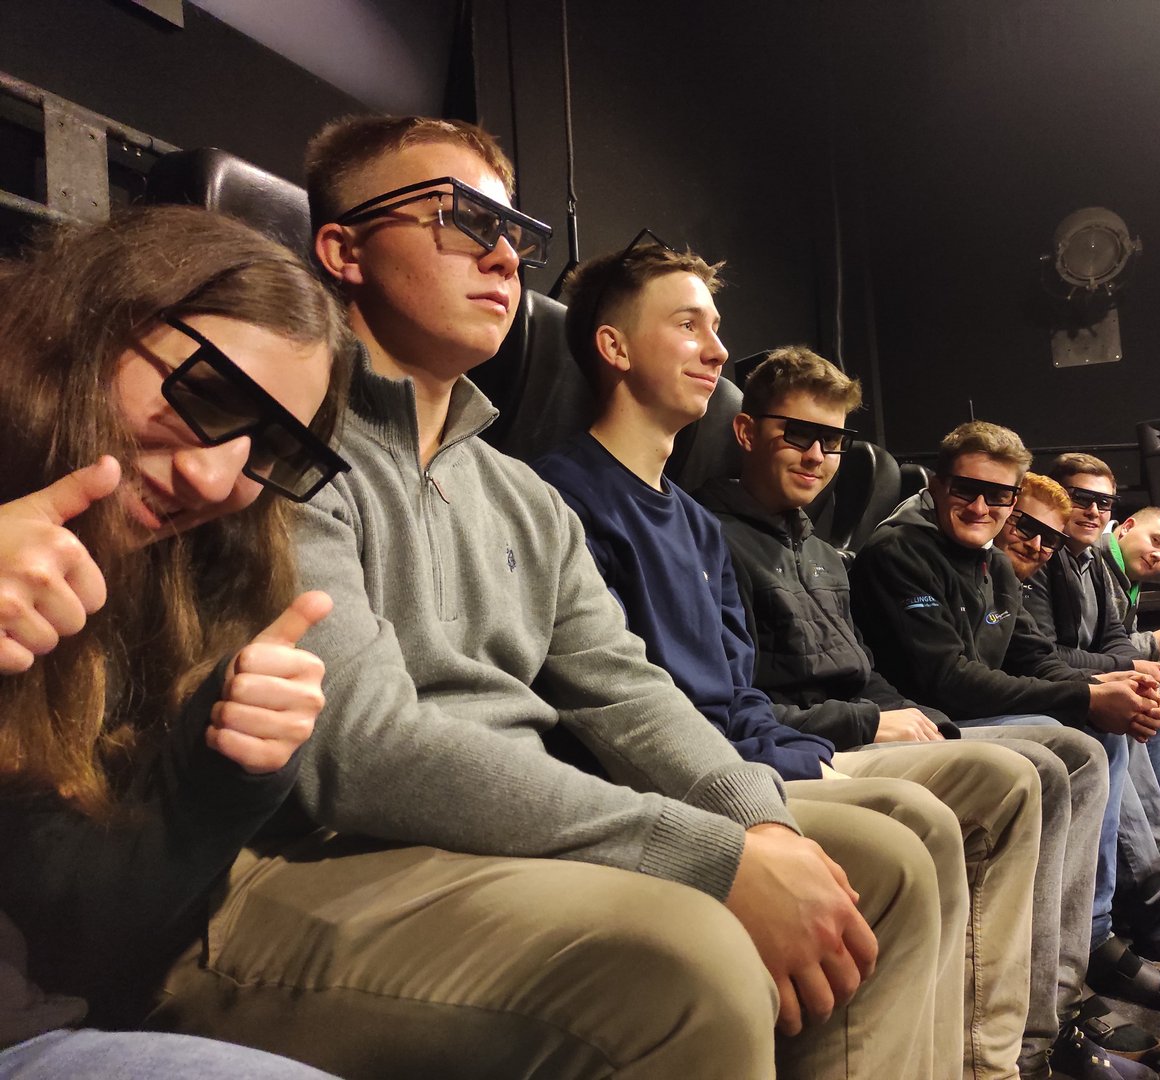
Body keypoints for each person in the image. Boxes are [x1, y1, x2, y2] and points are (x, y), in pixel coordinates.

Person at [156, 114, 948, 1080]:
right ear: (343, 250)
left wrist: (757, 820)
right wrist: (708, 855)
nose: (502, 256)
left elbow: (627, 689)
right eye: (460, 219)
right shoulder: (278, 449)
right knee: (684, 968)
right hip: (314, 860)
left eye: (512, 232)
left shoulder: (522, 492)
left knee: (882, 868)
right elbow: (360, 753)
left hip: (501, 834)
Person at [534, 243, 1043, 1080]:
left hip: (755, 751)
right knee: (909, 836)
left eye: (716, 328)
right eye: (688, 325)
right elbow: (624, 705)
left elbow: (737, 691)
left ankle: (981, 1064)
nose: (716, 350)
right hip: (675, 777)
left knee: (997, 781)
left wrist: (806, 749)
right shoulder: (562, 496)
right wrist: (821, 750)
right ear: (614, 346)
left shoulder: (690, 522)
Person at [698, 348, 1160, 1080]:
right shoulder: (756, 540)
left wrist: (1111, 678)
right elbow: (748, 700)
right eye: (799, 435)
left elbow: (886, 671)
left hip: (892, 721)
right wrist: (888, 718)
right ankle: (1021, 1036)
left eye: (831, 441)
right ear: (747, 432)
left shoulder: (821, 550)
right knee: (1056, 752)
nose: (816, 456)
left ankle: (1047, 1005)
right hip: (814, 742)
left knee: (1082, 742)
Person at [0, 206, 351, 1078]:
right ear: (94, 326)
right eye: (209, 394)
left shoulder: (168, 586)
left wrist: (225, 777)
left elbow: (82, 940)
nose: (214, 476)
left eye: (273, 446)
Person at [849, 420, 1160, 1015]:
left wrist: (1112, 683)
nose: (985, 510)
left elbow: (1035, 657)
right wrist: (1087, 697)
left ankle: (1109, 920)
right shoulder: (899, 552)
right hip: (926, 717)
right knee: (1085, 741)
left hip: (962, 709)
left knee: (1132, 711)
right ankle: (1104, 933)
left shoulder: (996, 566)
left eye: (999, 497)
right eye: (968, 490)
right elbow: (948, 679)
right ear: (938, 486)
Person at [1035, 456, 1160, 892]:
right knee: (1131, 714)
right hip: (1055, 680)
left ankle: (1158, 833)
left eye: (1102, 502)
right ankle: (1147, 865)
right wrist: (1142, 661)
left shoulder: (1093, 563)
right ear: (1124, 528)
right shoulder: (1056, 556)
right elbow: (1046, 653)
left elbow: (1114, 638)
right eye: (1081, 499)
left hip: (1076, 671)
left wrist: (1143, 668)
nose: (1159, 556)